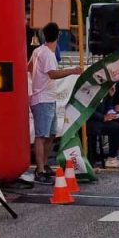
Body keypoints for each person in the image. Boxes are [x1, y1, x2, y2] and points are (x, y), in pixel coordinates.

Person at [28, 22, 82, 184]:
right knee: (42, 135)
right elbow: (53, 74)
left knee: (51, 134)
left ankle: (43, 165)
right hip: (43, 98)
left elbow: (29, 67)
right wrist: (72, 71)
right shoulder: (48, 54)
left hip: (47, 97)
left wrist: (37, 79)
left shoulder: (38, 51)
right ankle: (40, 170)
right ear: (58, 36)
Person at [86, 87, 119, 168]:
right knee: (118, 126)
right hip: (92, 121)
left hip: (103, 118)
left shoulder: (104, 89)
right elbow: (87, 109)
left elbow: (108, 108)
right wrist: (102, 117)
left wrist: (110, 97)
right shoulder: (91, 89)